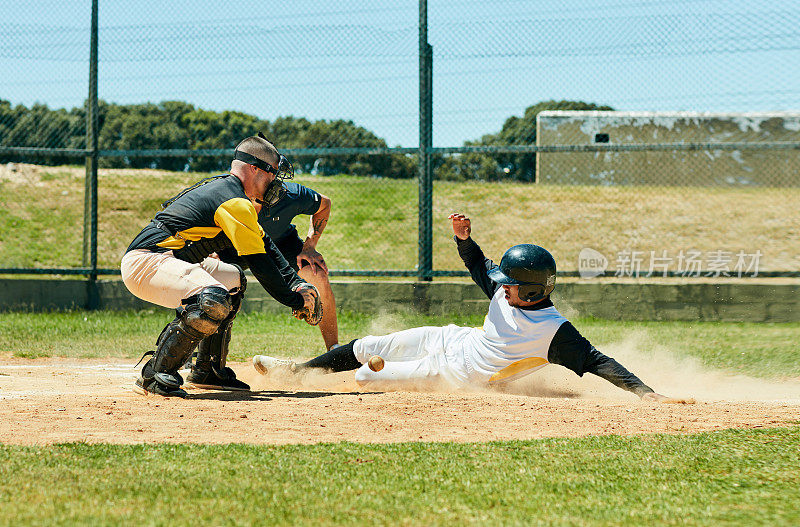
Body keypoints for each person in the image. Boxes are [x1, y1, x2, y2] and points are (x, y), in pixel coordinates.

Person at [253, 212, 671, 402]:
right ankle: (298, 369)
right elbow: (477, 264)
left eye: (510, 285)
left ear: (531, 291)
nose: (501, 288)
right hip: (453, 339)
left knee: (365, 377)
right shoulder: (506, 289)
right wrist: (463, 237)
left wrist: (645, 393)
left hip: (457, 373)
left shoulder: (553, 332)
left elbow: (600, 362)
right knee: (367, 345)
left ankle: (346, 373)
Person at [121, 133, 319, 398]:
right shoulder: (234, 201)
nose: (275, 182)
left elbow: (265, 246)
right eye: (272, 174)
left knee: (233, 281)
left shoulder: (233, 195)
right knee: (213, 298)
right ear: (254, 169)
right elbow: (259, 262)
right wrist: (294, 300)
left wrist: (298, 284)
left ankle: (207, 370)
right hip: (146, 261)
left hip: (169, 260)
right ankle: (155, 374)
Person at [217, 180, 339, 351]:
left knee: (315, 273)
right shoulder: (229, 192)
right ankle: (195, 350)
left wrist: (310, 246)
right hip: (235, 244)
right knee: (209, 284)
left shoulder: (290, 194)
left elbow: (324, 204)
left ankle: (334, 350)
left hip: (281, 241)